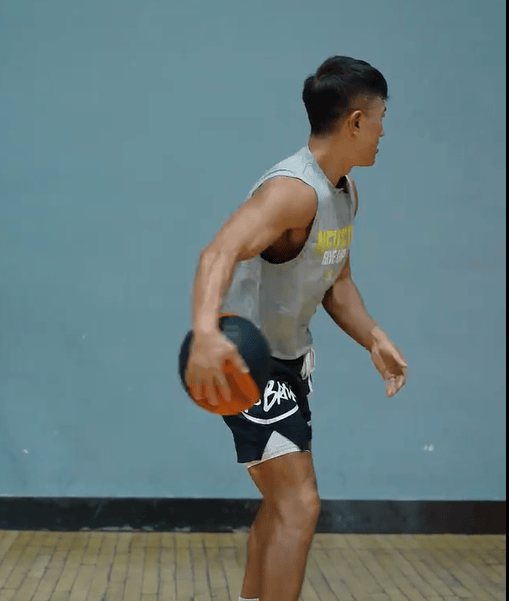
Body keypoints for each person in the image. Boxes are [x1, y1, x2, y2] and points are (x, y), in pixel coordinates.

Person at [185, 56, 408, 601]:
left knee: (282, 504)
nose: (384, 131)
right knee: (299, 505)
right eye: (382, 118)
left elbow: (337, 283)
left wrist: (374, 336)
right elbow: (217, 253)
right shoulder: (293, 190)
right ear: (356, 121)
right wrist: (206, 335)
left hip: (289, 361)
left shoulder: (343, 193)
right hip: (246, 360)